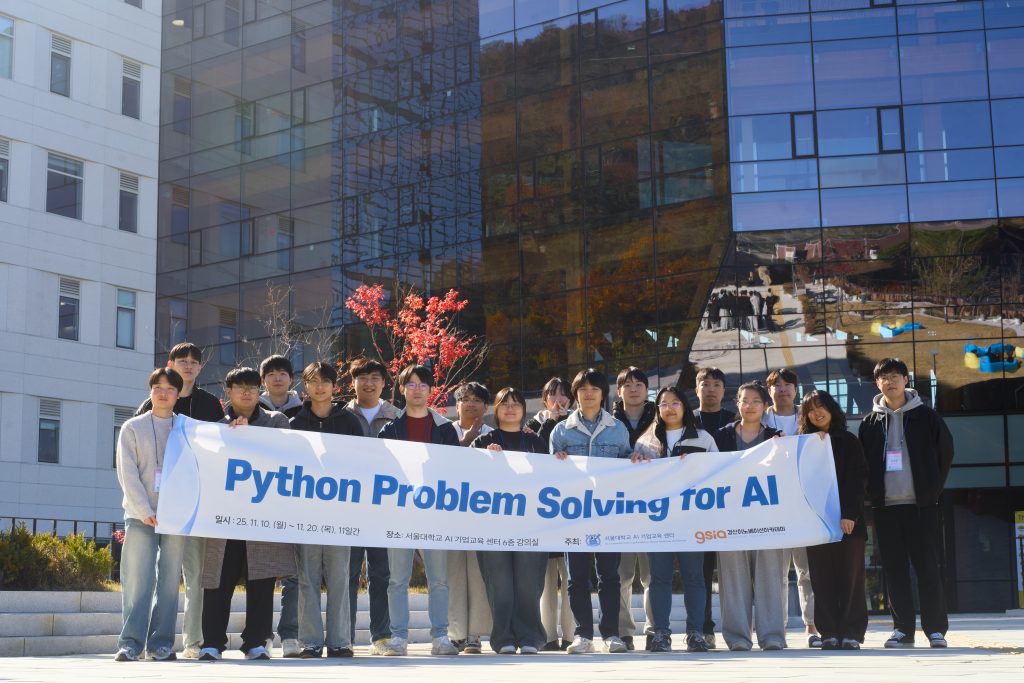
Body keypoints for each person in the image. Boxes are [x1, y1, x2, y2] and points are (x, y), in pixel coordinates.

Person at [133, 342, 224, 660]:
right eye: (181, 360)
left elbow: (222, 447)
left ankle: (192, 642)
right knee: (158, 575)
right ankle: (150, 642)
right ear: (170, 364)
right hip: (158, 505)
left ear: (200, 367)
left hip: (197, 504)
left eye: (194, 361)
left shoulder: (211, 405)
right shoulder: (151, 404)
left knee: (195, 575)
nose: (188, 365)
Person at [198, 367, 296, 662]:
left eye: (252, 387)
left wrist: (249, 435)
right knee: (218, 581)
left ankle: (256, 642)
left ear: (259, 391)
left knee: (262, 580)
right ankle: (212, 642)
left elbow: (284, 453)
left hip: (261, 516)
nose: (246, 393)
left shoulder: (275, 421)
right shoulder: (215, 428)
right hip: (225, 517)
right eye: (240, 387)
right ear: (228, 391)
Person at [858, 358, 953, 649]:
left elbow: (945, 453)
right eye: (884, 377)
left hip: (921, 507)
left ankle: (935, 630)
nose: (890, 382)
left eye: (895, 376)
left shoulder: (927, 416)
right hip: (885, 508)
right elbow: (863, 465)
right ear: (877, 384)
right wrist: (872, 496)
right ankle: (902, 630)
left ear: (906, 380)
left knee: (928, 568)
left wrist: (931, 490)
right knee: (894, 570)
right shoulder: (870, 423)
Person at [378, 364, 461, 656]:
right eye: (410, 384)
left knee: (438, 579)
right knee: (397, 579)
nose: (416, 390)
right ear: (402, 389)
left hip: (435, 513)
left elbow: (455, 470)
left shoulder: (445, 429)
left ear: (430, 390)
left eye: (422, 384)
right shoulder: (390, 429)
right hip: (400, 512)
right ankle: (398, 637)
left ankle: (440, 637)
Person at [549, 368, 634, 654]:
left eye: (594, 388)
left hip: (608, 513)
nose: (589, 393)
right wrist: (557, 462)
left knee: (609, 575)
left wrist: (634, 460)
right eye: (583, 388)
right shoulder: (561, 430)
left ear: (603, 393)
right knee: (576, 578)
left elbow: (627, 468)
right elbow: (549, 476)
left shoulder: (617, 429)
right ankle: (582, 635)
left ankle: (611, 634)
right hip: (573, 515)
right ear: (576, 393)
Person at [632, 386, 717, 653]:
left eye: (675, 403)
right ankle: (661, 633)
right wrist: (634, 461)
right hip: (658, 520)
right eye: (664, 404)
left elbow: (718, 474)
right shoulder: (645, 441)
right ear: (657, 409)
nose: (669, 408)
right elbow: (635, 481)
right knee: (659, 577)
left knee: (694, 577)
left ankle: (695, 633)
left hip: (692, 519)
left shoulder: (703, 438)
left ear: (685, 406)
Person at [290, 362, 364, 659]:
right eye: (313, 381)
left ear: (335, 386)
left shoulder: (350, 423)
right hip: (305, 513)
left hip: (339, 513)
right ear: (305, 386)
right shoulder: (294, 423)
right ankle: (310, 642)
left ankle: (340, 641)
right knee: (307, 578)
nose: (319, 387)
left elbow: (361, 465)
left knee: (339, 578)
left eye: (325, 381)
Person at [114, 368, 187, 662]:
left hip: (176, 518)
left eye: (170, 388)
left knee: (169, 583)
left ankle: (160, 645)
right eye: (158, 387)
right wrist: (144, 510)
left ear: (179, 394)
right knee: (137, 582)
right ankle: (130, 643)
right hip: (139, 515)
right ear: (150, 391)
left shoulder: (187, 428)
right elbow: (127, 473)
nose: (163, 393)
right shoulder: (132, 427)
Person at [470, 387, 549, 654]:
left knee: (529, 584)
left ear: (524, 410)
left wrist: (560, 461)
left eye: (516, 404)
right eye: (505, 404)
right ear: (496, 409)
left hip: (531, 526)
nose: (511, 408)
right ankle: (503, 638)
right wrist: (485, 459)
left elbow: (552, 480)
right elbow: (468, 477)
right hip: (492, 526)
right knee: (499, 584)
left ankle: (530, 638)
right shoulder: (483, 442)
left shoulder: (537, 443)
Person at [713, 381, 787, 652]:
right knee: (733, 579)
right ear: (737, 404)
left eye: (756, 401)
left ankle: (772, 635)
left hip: (768, 519)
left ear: (765, 406)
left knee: (770, 576)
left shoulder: (777, 438)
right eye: (745, 400)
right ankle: (737, 637)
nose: (750, 406)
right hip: (729, 517)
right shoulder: (721, 436)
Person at [799, 390, 868, 651]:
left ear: (831, 409)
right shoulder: (804, 444)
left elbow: (857, 479)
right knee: (822, 580)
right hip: (815, 524)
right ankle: (828, 632)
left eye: (821, 407)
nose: (816, 413)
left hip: (848, 523)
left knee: (851, 580)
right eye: (810, 409)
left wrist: (849, 513)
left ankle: (851, 632)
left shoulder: (848, 441)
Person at [343, 358, 397, 654]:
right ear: (352, 382)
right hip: (349, 505)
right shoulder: (341, 416)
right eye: (362, 377)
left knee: (382, 573)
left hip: (384, 507)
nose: (369, 383)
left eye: (375, 377)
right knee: (347, 572)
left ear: (384, 383)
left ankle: (382, 637)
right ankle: (344, 637)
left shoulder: (397, 417)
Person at [764, 368, 819, 647]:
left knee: (807, 570)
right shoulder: (760, 419)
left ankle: (812, 627)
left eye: (788, 385)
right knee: (775, 573)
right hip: (771, 505)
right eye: (777, 385)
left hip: (804, 504)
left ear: (796, 390)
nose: (783, 389)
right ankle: (778, 629)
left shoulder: (808, 417)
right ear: (769, 390)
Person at [257, 354, 302, 656]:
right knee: (261, 571)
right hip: (260, 499)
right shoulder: (249, 409)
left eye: (282, 373)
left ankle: (290, 634)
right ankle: (261, 634)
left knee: (293, 573)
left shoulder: (305, 410)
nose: (277, 378)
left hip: (295, 500)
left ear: (291, 378)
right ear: (263, 380)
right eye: (271, 373)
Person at [526, 377, 575, 651]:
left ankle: (570, 634)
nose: (559, 400)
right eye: (553, 395)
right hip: (543, 511)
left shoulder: (579, 424)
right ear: (544, 400)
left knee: (571, 577)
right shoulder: (533, 426)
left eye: (564, 395)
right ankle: (546, 636)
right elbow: (536, 451)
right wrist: (551, 421)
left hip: (572, 510)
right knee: (545, 580)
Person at [610, 366, 656, 650]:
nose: (634, 389)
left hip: (653, 507)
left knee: (652, 574)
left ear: (647, 390)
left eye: (639, 384)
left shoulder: (660, 419)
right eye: (628, 384)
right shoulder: (608, 423)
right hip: (619, 507)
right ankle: (623, 631)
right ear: (619, 391)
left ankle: (654, 629)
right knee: (621, 575)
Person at [447, 383, 494, 653]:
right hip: (451, 513)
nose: (471, 404)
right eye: (465, 399)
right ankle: (456, 633)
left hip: (481, 515)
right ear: (457, 405)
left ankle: (474, 634)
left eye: (477, 400)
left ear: (486, 407)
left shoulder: (493, 435)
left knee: (478, 575)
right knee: (453, 574)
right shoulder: (444, 432)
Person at [692, 366, 734, 648]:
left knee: (733, 572)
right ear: (696, 389)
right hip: (697, 508)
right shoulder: (687, 420)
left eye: (716, 384)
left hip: (730, 505)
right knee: (702, 572)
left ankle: (739, 629)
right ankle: (705, 627)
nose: (711, 389)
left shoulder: (734, 420)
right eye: (705, 384)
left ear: (723, 390)